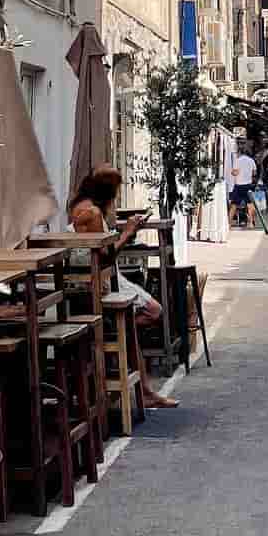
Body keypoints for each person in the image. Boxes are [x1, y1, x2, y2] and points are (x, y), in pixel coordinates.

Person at [67, 165, 178, 409]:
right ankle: (115, 342)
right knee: (153, 311)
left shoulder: (85, 206)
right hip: (99, 280)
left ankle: (122, 351)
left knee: (135, 323)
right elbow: (105, 255)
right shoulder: (92, 213)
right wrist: (127, 232)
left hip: (101, 276)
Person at [230, 145, 256, 228]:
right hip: (248, 185)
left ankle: (229, 224)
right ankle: (251, 223)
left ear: (240, 152)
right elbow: (254, 173)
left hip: (238, 185)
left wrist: (234, 173)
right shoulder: (251, 160)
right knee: (250, 204)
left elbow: (234, 173)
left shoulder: (238, 161)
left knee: (234, 205)